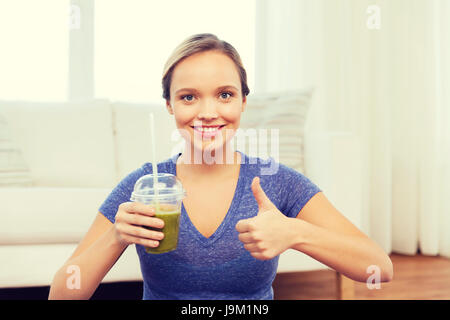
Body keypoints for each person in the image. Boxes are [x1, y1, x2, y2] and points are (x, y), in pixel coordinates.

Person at [49, 33, 393, 300]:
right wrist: (116, 236)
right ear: (169, 105)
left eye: (224, 94)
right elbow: (62, 293)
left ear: (244, 101)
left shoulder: (278, 183)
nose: (208, 112)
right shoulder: (144, 185)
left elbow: (379, 267)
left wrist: (295, 232)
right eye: (188, 97)